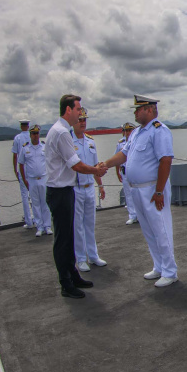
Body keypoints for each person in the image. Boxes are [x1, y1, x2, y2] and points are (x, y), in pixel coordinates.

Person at [102, 95, 178, 288]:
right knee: (149, 230)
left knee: (161, 229)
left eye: (138, 109)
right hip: (136, 190)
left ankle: (170, 271)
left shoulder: (159, 131)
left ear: (150, 109)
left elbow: (165, 160)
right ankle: (159, 266)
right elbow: (124, 154)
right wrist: (106, 164)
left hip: (153, 188)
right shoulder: (136, 133)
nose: (135, 112)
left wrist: (159, 191)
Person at [44, 94, 107, 299]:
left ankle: (73, 275)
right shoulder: (62, 133)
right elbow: (76, 165)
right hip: (60, 191)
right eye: (78, 109)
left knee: (69, 235)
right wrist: (96, 171)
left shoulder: (62, 131)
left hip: (65, 190)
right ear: (68, 110)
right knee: (63, 239)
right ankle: (66, 283)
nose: (81, 113)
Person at [72, 108, 107, 272]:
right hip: (75, 188)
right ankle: (80, 258)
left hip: (89, 188)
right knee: (77, 225)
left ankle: (93, 256)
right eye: (80, 120)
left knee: (90, 224)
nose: (83, 123)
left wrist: (100, 185)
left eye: (85, 120)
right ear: (74, 122)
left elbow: (95, 167)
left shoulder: (91, 142)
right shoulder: (69, 142)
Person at [17, 125, 52, 238]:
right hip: (31, 180)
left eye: (37, 133)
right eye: (33, 133)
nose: (36, 136)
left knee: (45, 203)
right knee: (35, 204)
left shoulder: (44, 147)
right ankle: (39, 227)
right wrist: (24, 179)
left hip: (43, 178)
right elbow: (21, 164)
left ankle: (47, 226)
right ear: (30, 135)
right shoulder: (25, 148)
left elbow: (50, 161)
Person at [11, 118, 35, 228]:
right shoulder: (32, 136)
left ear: (21, 126)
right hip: (32, 167)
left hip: (22, 167)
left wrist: (15, 169)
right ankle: (37, 218)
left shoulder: (18, 138)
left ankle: (29, 222)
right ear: (28, 126)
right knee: (35, 194)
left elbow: (15, 155)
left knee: (24, 195)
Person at [116, 122, 138, 225]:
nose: (128, 132)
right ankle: (132, 215)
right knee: (128, 194)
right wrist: (117, 173)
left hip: (135, 172)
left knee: (138, 194)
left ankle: (140, 215)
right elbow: (117, 158)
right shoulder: (120, 143)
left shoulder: (137, 141)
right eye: (126, 130)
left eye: (130, 130)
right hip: (124, 171)